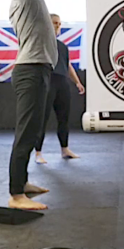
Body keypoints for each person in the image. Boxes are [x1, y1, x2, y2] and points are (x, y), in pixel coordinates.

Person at [0, 0, 57, 211]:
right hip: (31, 70)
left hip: (40, 69)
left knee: (34, 130)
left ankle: (23, 183)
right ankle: (15, 195)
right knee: (25, 132)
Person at [35, 14, 85, 164]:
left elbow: (68, 65)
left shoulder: (62, 46)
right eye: (54, 23)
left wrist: (77, 82)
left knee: (64, 118)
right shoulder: (39, 42)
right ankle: (38, 152)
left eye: (59, 23)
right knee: (42, 119)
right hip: (47, 82)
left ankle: (65, 149)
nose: (57, 26)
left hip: (62, 82)